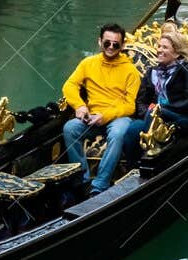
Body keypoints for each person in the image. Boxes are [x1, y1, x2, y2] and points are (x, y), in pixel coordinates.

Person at [61, 23, 142, 195]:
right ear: (100, 42)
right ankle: (82, 180)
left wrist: (104, 116)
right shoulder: (88, 63)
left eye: (116, 44)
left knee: (118, 133)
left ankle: (99, 186)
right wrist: (80, 106)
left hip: (118, 117)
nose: (111, 47)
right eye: (107, 43)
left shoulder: (131, 71)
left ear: (122, 46)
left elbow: (129, 105)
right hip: (91, 116)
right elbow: (70, 85)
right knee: (70, 128)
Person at [127, 31, 188, 143]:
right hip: (153, 116)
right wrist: (149, 112)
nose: (159, 50)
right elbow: (141, 102)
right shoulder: (151, 72)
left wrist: (160, 109)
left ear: (177, 53)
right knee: (133, 129)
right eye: (159, 46)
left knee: (155, 114)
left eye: (165, 47)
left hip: (181, 116)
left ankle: (152, 152)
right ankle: (135, 161)